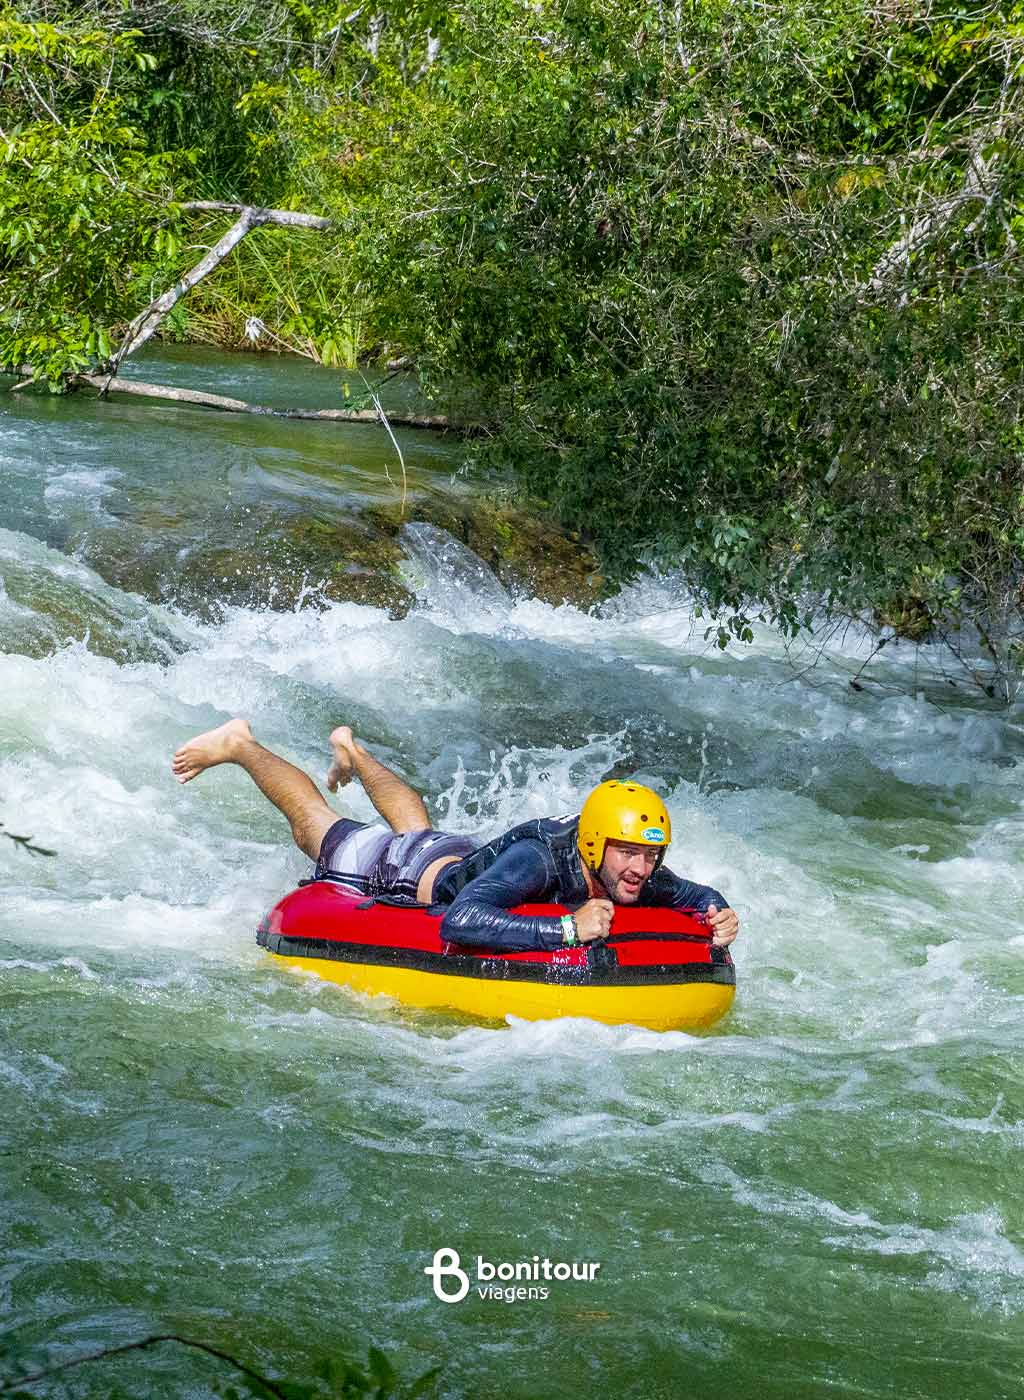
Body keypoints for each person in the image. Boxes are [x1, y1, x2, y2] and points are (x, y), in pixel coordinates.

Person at [171, 720, 739, 954]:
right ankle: (241, 743)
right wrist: (568, 926)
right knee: (313, 827)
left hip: (462, 857)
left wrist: (717, 911)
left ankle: (355, 752)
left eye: (650, 855)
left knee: (418, 824)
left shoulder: (628, 868)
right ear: (593, 845)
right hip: (410, 874)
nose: (641, 868)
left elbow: (688, 895)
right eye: (631, 853)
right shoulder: (539, 864)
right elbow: (458, 921)